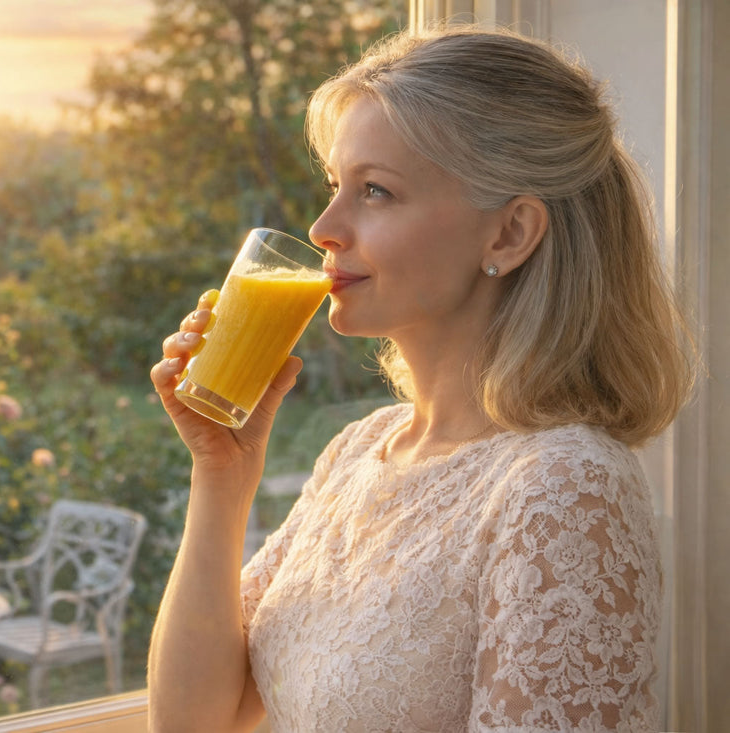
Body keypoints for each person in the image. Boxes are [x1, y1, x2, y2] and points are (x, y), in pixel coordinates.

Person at [146, 24, 694, 733]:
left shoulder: (563, 488)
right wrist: (221, 473)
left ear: (508, 234)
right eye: (336, 186)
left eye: (374, 190)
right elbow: (192, 722)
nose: (323, 227)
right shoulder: (358, 452)